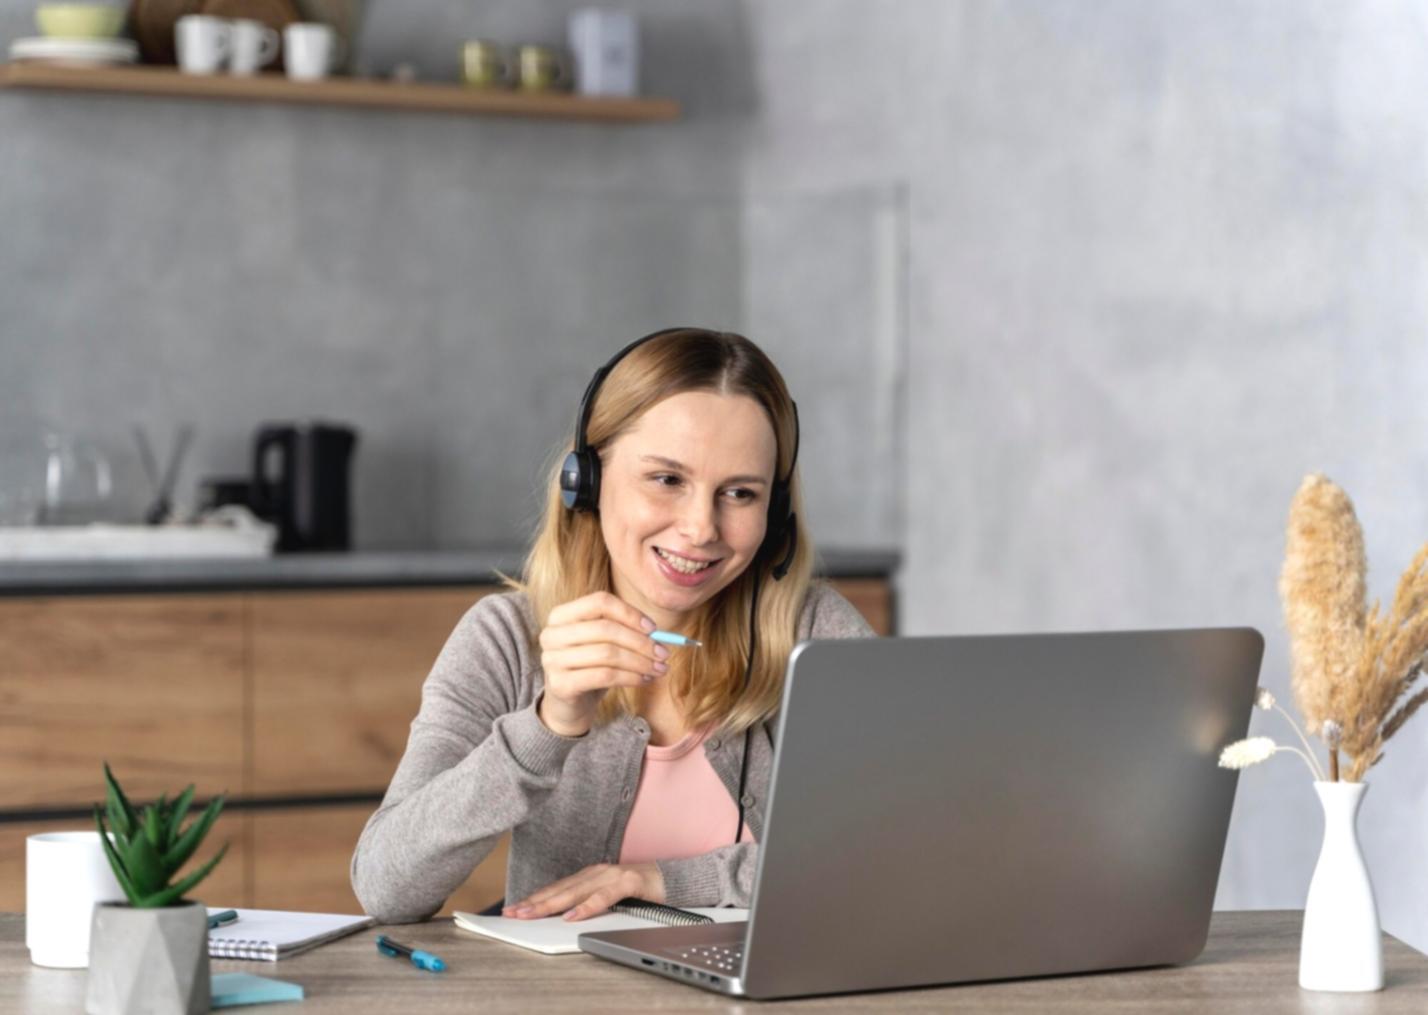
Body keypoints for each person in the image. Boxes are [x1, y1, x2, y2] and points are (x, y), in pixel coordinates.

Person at [350, 327, 876, 925]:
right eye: (667, 480)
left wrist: (660, 881)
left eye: (739, 493)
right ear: (587, 483)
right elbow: (386, 887)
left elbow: (886, 854)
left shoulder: (816, 634)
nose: (701, 527)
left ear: (774, 514)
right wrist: (550, 725)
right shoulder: (504, 641)